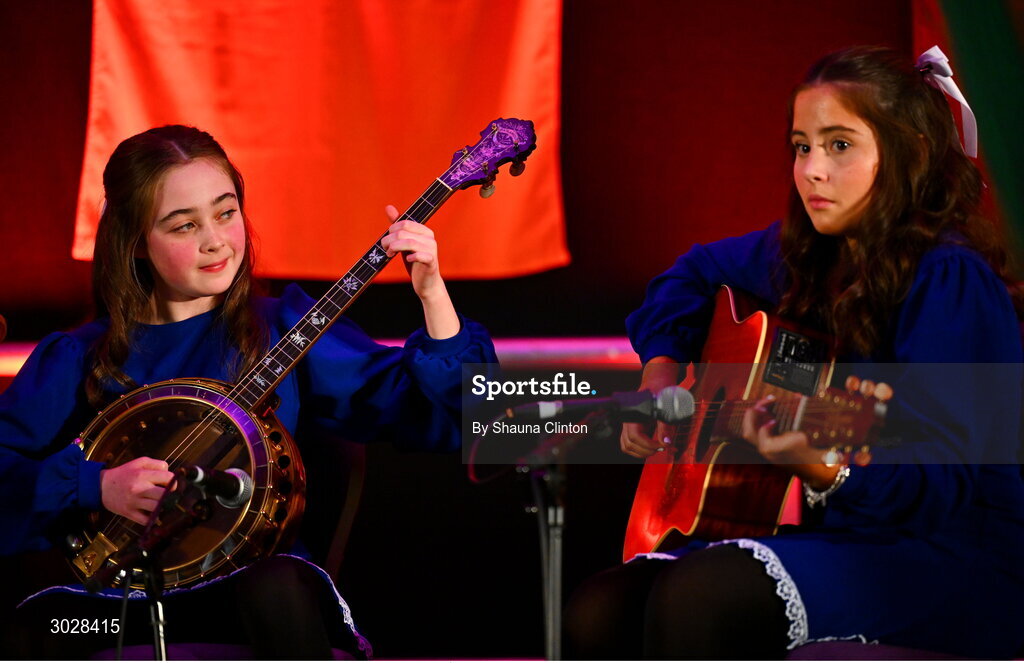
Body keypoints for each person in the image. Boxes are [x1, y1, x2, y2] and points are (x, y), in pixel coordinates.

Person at [564, 45, 1024, 659]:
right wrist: (662, 372)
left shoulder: (949, 280)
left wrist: (822, 463)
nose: (810, 169)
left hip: (952, 548)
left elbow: (942, 481)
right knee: (601, 609)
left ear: (909, 150)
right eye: (802, 146)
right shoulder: (809, 255)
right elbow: (692, 273)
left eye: (839, 145)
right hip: (852, 532)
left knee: (703, 596)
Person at [0, 124, 498, 658]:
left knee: (278, 591)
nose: (215, 239)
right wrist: (95, 485)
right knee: (44, 631)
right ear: (135, 243)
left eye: (226, 211)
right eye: (183, 225)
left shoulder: (284, 327)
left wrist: (432, 296)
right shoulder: (79, 357)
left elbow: (467, 419)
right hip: (119, 610)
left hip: (247, 596)